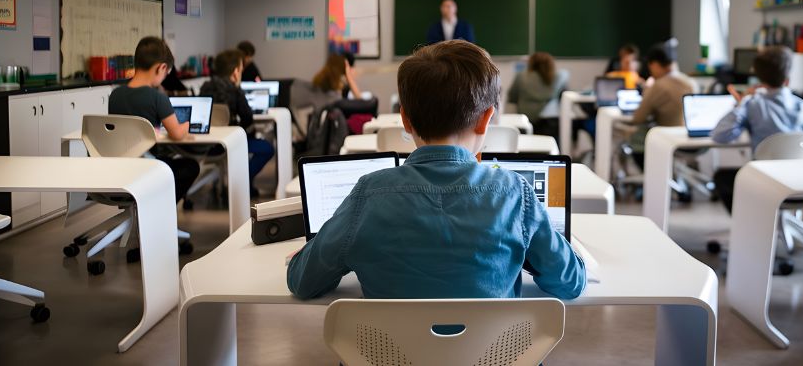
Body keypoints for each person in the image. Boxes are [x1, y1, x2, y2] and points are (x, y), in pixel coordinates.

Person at [287, 40, 586, 300]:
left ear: (404, 119)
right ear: (486, 120)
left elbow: (301, 281)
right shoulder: (515, 193)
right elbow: (570, 283)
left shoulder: (369, 194)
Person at [710, 46, 803, 212]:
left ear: (759, 79)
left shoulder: (752, 104)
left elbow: (719, 135)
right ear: (787, 79)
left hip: (766, 184)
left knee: (722, 178)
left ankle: (748, 224)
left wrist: (741, 103)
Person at [108, 37, 199, 203]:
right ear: (162, 67)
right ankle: (160, 210)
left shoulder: (115, 95)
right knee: (190, 166)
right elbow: (177, 134)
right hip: (146, 170)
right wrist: (187, 124)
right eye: (166, 73)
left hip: (119, 169)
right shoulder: (157, 97)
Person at [200, 49, 275, 197]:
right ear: (235, 72)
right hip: (229, 144)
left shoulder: (205, 87)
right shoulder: (234, 91)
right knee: (267, 148)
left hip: (205, 145)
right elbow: (247, 119)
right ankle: (243, 183)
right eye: (240, 70)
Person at [507, 52, 567, 137]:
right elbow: (564, 96)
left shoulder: (521, 76)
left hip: (527, 119)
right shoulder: (559, 77)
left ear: (531, 63)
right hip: (551, 120)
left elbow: (512, 97)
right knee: (550, 146)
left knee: (528, 147)